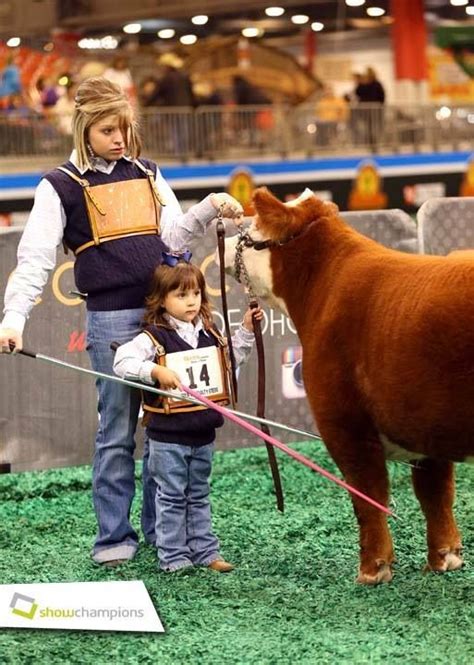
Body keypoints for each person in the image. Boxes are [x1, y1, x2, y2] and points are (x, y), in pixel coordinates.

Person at [0, 76, 243, 567]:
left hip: (163, 316)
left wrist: (210, 205)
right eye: (109, 130)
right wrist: (13, 317)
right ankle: (114, 537)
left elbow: (173, 238)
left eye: (125, 129)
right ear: (84, 128)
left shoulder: (149, 173)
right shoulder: (59, 186)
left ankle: (163, 533)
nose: (120, 139)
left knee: (165, 425)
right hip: (110, 317)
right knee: (116, 430)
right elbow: (35, 259)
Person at [113, 258, 263, 573]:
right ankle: (173, 557)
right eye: (181, 295)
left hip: (203, 433)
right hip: (168, 436)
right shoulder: (153, 337)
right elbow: (122, 361)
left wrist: (247, 330)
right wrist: (154, 370)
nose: (191, 301)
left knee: (198, 494)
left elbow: (228, 365)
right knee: (171, 497)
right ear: (161, 300)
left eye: (195, 293)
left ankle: (206, 553)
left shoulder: (210, 332)